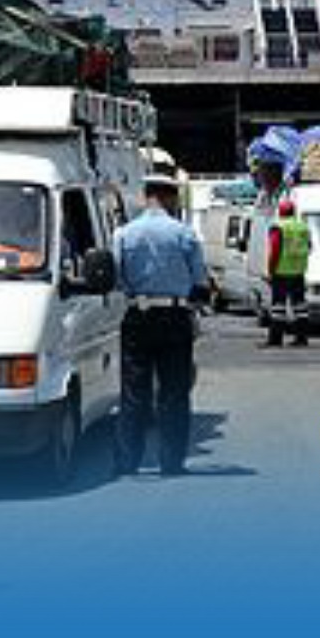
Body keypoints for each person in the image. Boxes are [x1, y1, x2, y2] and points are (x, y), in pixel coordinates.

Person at [114, 176, 208, 477]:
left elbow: (117, 277)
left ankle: (128, 462)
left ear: (147, 197)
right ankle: (171, 463)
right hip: (174, 316)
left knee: (133, 392)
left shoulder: (124, 234)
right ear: (170, 198)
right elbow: (199, 279)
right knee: (174, 393)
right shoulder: (184, 234)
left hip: (137, 315)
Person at [263, 199, 311, 348]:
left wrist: (270, 270)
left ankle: (275, 339)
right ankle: (301, 338)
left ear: (281, 212)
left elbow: (275, 250)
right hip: (299, 271)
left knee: (278, 307)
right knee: (300, 307)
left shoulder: (278, 227)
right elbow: (309, 246)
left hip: (281, 271)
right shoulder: (303, 227)